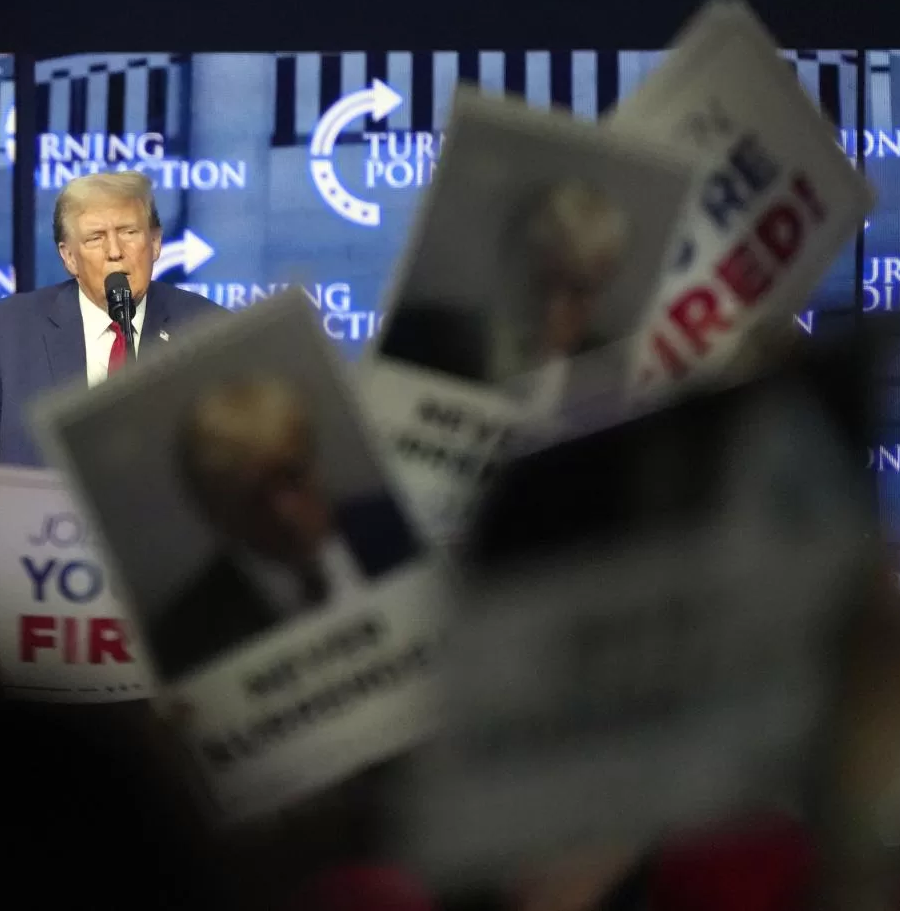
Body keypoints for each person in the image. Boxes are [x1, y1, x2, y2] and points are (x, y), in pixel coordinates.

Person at [0, 171, 224, 564]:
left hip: (170, 566)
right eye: (95, 238)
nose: (115, 251)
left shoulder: (208, 330)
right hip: (37, 560)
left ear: (155, 243)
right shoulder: (2, 331)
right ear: (69, 257)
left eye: (129, 232)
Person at [150, 375, 420, 682]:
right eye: (253, 498)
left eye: (292, 477)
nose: (284, 512)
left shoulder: (408, 524)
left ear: (313, 462)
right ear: (213, 511)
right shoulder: (186, 641)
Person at [378, 179, 631, 391]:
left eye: (578, 290)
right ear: (510, 264)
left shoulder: (612, 381)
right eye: (542, 283)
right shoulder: (412, 339)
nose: (552, 310)